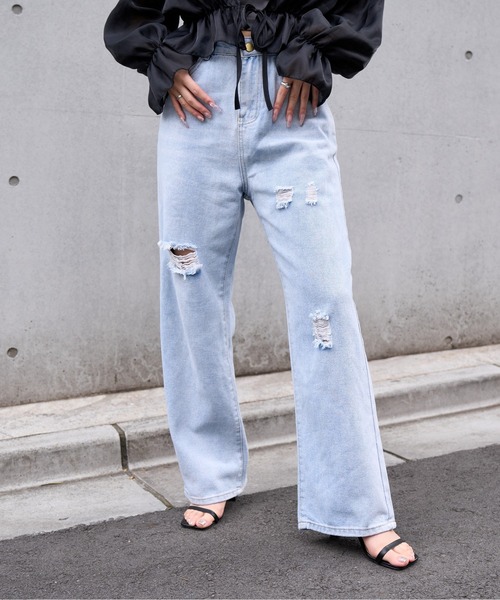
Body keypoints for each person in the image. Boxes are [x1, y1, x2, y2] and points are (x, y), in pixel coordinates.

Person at [104, 0, 418, 570]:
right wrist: (164, 61)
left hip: (291, 104)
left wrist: (315, 54)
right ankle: (210, 474)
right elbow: (138, 11)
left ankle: (357, 506)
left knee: (326, 302)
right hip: (199, 103)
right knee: (191, 292)